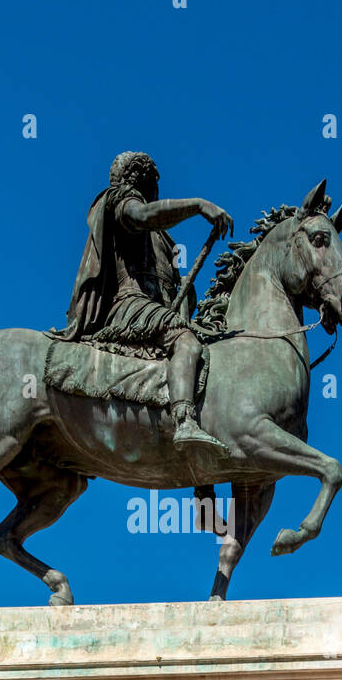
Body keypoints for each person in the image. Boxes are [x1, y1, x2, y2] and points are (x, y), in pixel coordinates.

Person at [64, 150, 234, 457]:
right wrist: (197, 205)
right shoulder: (121, 203)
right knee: (187, 343)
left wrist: (185, 293)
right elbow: (142, 216)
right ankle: (184, 421)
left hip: (155, 311)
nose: (158, 191)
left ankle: (201, 478)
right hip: (128, 305)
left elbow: (169, 285)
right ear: (142, 181)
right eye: (155, 184)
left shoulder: (163, 238)